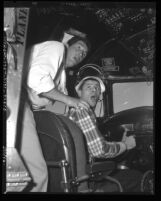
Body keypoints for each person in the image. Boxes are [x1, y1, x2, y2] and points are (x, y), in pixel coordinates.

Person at [20, 36, 91, 192]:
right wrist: (71, 101)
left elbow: (57, 105)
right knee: (36, 175)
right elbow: (36, 78)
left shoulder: (61, 76)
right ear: (67, 44)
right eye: (79, 47)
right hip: (18, 100)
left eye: (84, 54)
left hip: (29, 108)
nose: (80, 54)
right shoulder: (56, 47)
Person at [68, 71, 143, 192]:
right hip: (85, 180)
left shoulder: (77, 111)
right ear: (79, 92)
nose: (94, 90)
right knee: (138, 177)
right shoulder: (81, 111)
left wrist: (122, 143)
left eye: (97, 88)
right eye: (89, 87)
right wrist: (126, 145)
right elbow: (99, 150)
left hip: (78, 174)